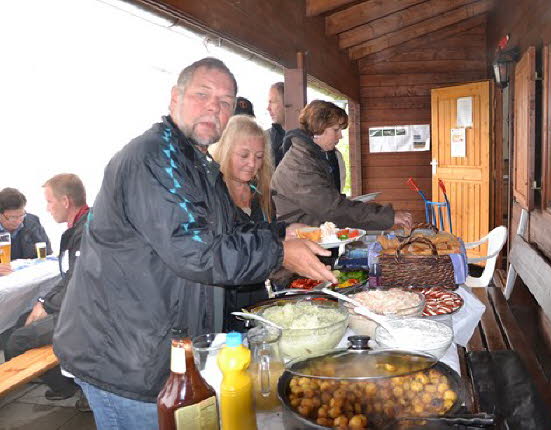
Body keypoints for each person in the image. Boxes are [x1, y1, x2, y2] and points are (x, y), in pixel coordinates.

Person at [53, 57, 335, 429]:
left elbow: (229, 233)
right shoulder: (152, 157)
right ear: (175, 98)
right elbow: (195, 250)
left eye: (224, 101)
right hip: (125, 358)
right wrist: (280, 251)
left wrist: (282, 233)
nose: (213, 108)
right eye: (203, 94)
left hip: (162, 350)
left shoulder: (197, 164)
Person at [3, 174, 90, 410]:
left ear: (65, 201)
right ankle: (69, 382)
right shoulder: (81, 226)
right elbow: (70, 276)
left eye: (49, 202)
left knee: (16, 339)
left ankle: (74, 386)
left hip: (88, 313)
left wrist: (48, 305)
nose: (47, 208)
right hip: (78, 305)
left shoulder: (88, 231)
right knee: (19, 323)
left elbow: (79, 283)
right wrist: (43, 302)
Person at [272, 100, 413, 230]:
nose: (340, 136)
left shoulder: (311, 157)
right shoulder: (299, 165)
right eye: (336, 130)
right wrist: (387, 216)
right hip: (297, 244)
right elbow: (332, 209)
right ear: (318, 129)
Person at [209, 115, 274, 331]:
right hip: (222, 309)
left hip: (258, 303)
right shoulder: (212, 198)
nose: (252, 164)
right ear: (225, 150)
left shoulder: (260, 195)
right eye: (244, 155)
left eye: (258, 156)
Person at [0, 187, 51, 263]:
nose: (18, 221)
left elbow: (47, 253)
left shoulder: (33, 222)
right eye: (12, 217)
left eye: (21, 215)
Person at [266, 82, 286, 166]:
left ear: (287, 103)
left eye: (272, 102)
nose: (268, 108)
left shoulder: (306, 138)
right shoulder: (265, 138)